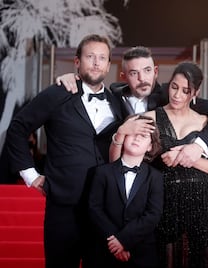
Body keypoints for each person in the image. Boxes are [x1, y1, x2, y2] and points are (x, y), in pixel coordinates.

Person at [5, 34, 125, 268]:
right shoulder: (57, 93)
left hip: (105, 208)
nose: (96, 62)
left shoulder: (117, 102)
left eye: (102, 58)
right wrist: (31, 175)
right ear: (77, 62)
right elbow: (17, 129)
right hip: (63, 207)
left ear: (109, 65)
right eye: (90, 56)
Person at [57, 46, 208, 168]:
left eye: (147, 70)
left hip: (159, 178)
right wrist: (72, 78)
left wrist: (199, 147)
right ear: (123, 76)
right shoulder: (112, 97)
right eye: (134, 73)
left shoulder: (173, 95)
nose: (142, 78)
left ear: (156, 71)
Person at [145, 61, 208, 267]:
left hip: (202, 202)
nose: (177, 95)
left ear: (195, 93)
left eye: (185, 91)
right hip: (164, 202)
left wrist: (189, 156)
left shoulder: (204, 122)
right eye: (174, 87)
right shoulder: (150, 118)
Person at [88, 115, 164, 268]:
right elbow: (94, 209)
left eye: (143, 135)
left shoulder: (155, 177)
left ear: (150, 146)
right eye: (133, 132)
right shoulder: (102, 172)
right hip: (105, 249)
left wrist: (123, 240)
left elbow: (153, 214)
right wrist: (114, 241)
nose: (136, 138)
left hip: (142, 251)